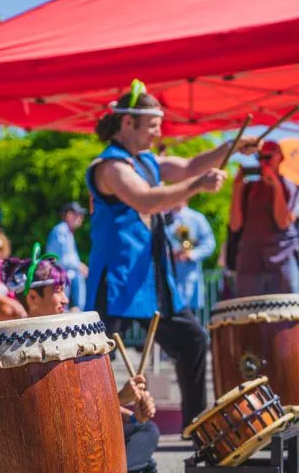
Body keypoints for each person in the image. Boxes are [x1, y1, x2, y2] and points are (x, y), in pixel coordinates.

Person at [85, 79, 259, 428]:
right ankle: (92, 429)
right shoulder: (111, 167)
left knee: (193, 341)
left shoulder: (147, 161)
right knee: (93, 361)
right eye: (152, 126)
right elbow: (146, 200)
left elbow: (190, 164)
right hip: (116, 279)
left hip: (152, 279)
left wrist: (232, 145)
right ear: (128, 123)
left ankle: (197, 429)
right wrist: (197, 186)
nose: (157, 134)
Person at [8, 255, 160, 473]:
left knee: (146, 430)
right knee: (144, 461)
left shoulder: (60, 339)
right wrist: (119, 398)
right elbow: (62, 418)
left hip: (79, 432)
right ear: (32, 297)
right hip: (52, 444)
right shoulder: (16, 346)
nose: (65, 300)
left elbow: (81, 404)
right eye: (57, 292)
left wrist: (135, 416)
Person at [230, 140, 299, 297]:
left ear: (280, 158)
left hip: (281, 259)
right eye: (260, 158)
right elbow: (235, 225)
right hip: (250, 261)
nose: (263, 162)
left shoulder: (291, 187)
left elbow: (283, 222)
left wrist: (275, 185)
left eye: (268, 157)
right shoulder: (249, 188)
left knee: (288, 314)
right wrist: (237, 189)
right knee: (249, 315)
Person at [165, 202, 216, 311]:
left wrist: (191, 254)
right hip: (168, 273)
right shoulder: (162, 217)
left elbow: (209, 244)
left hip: (188, 275)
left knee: (187, 311)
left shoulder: (197, 218)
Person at [46, 201, 89, 310]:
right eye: (79, 214)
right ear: (69, 215)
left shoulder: (67, 231)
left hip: (68, 278)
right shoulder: (61, 230)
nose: (81, 218)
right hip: (62, 279)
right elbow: (56, 259)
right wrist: (78, 266)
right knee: (64, 310)